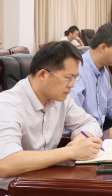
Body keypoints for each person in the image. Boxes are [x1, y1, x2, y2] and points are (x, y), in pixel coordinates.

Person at [0, 41, 103, 190]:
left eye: (75, 78)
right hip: (16, 188)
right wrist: (71, 152)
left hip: (49, 180)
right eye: (68, 78)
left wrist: (79, 141)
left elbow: (89, 122)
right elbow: (6, 163)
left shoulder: (60, 99)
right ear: (43, 74)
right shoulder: (7, 105)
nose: (72, 85)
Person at [70, 23, 112, 130]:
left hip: (99, 132)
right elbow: (73, 116)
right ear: (103, 47)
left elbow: (109, 107)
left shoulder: (104, 71)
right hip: (82, 134)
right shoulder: (77, 70)